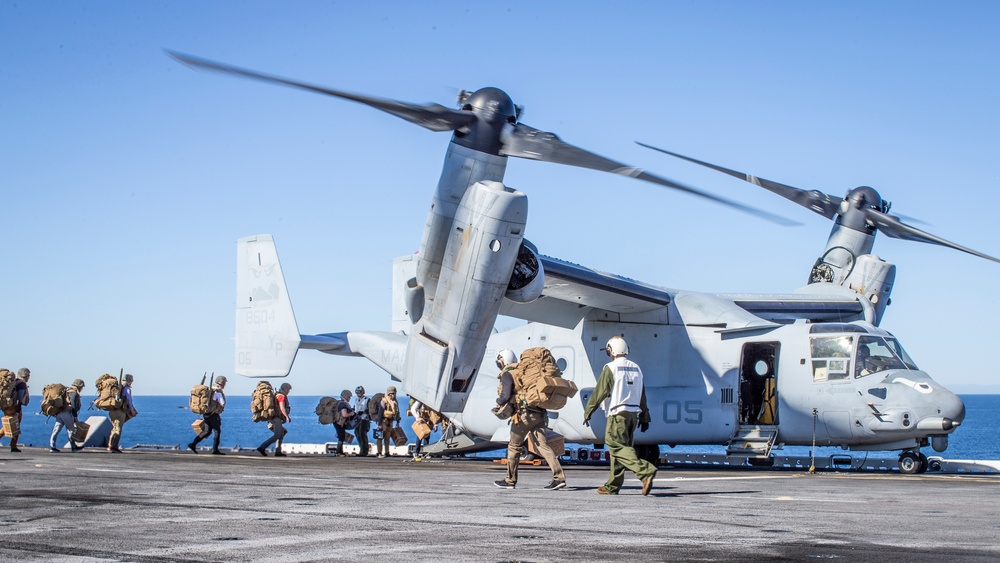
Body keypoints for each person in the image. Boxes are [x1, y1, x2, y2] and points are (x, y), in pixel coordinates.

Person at [583, 336, 657, 496]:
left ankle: (645, 471)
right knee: (622, 450)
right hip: (633, 415)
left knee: (615, 445)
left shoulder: (611, 368)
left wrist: (588, 411)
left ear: (611, 350)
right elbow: (642, 396)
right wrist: (645, 417)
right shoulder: (637, 368)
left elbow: (600, 392)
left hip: (617, 414)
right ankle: (612, 486)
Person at [492, 349, 567, 491]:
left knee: (514, 447)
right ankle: (559, 478)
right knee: (542, 445)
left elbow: (505, 396)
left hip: (523, 415)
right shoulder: (523, 370)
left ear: (502, 361)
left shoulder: (508, 374)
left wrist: (498, 401)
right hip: (539, 413)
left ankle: (510, 480)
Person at [188, 376, 227, 455]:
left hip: (206, 414)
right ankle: (215, 450)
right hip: (213, 415)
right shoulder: (217, 392)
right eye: (224, 383)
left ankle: (193, 444)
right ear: (222, 383)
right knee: (217, 431)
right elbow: (222, 403)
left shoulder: (210, 390)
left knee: (206, 431)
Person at [0, 368, 31, 452]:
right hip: (14, 407)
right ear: (25, 375)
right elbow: (20, 398)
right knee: (11, 425)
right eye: (28, 375)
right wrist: (17, 410)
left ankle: (13, 445)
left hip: (7, 406)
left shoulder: (15, 382)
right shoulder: (22, 384)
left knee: (13, 425)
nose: (29, 377)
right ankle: (13, 446)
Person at [50, 379, 85, 453]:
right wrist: (75, 416)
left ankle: (52, 446)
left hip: (60, 412)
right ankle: (73, 447)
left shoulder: (67, 391)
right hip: (67, 413)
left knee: (56, 430)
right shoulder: (74, 393)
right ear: (79, 386)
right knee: (70, 430)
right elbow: (73, 405)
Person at [258, 382, 291, 457]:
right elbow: (282, 407)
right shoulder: (281, 396)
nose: (289, 391)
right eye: (288, 389)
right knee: (277, 435)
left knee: (282, 432)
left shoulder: (277, 395)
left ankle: (278, 451)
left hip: (273, 418)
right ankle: (262, 447)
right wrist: (286, 416)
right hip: (276, 418)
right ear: (285, 389)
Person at [108, 373, 137, 453]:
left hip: (112, 410)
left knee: (114, 428)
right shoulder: (126, 388)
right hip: (120, 410)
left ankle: (110, 445)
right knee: (118, 429)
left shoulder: (116, 388)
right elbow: (129, 400)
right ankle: (114, 447)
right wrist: (132, 410)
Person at [375, 386, 401, 458]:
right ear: (390, 394)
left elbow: (397, 412)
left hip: (390, 421)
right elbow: (380, 413)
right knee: (380, 437)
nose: (395, 395)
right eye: (393, 393)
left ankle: (387, 452)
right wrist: (379, 424)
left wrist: (398, 422)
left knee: (387, 438)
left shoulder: (395, 402)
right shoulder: (384, 401)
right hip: (383, 421)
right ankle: (379, 452)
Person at [350, 386, 371, 457]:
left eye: (359, 392)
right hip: (357, 419)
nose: (358, 394)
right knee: (357, 433)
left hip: (364, 419)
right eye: (357, 393)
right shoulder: (356, 400)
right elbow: (354, 408)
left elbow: (370, 409)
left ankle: (364, 450)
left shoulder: (367, 400)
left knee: (362, 434)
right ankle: (361, 448)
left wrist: (363, 412)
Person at [333, 389, 355, 456]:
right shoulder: (343, 404)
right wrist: (351, 414)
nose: (349, 398)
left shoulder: (339, 403)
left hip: (337, 421)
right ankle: (338, 452)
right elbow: (344, 414)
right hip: (340, 422)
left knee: (341, 435)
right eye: (349, 397)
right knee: (341, 436)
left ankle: (340, 452)